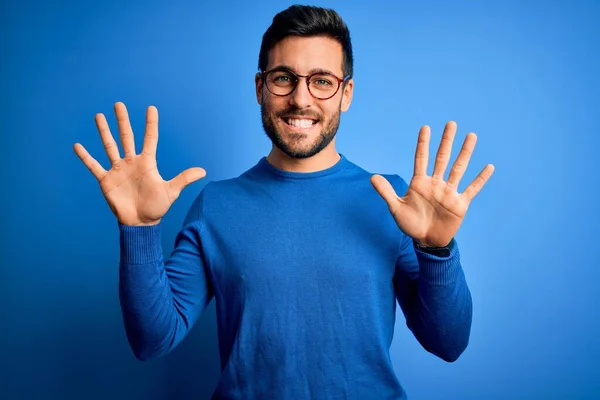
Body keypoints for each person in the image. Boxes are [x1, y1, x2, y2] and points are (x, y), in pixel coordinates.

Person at [74, 4, 494, 399]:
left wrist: (437, 250)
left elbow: (448, 343)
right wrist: (140, 230)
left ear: (346, 94)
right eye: (283, 77)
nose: (301, 98)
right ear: (260, 87)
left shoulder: (394, 202)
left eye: (322, 81)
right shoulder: (216, 205)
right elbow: (152, 340)